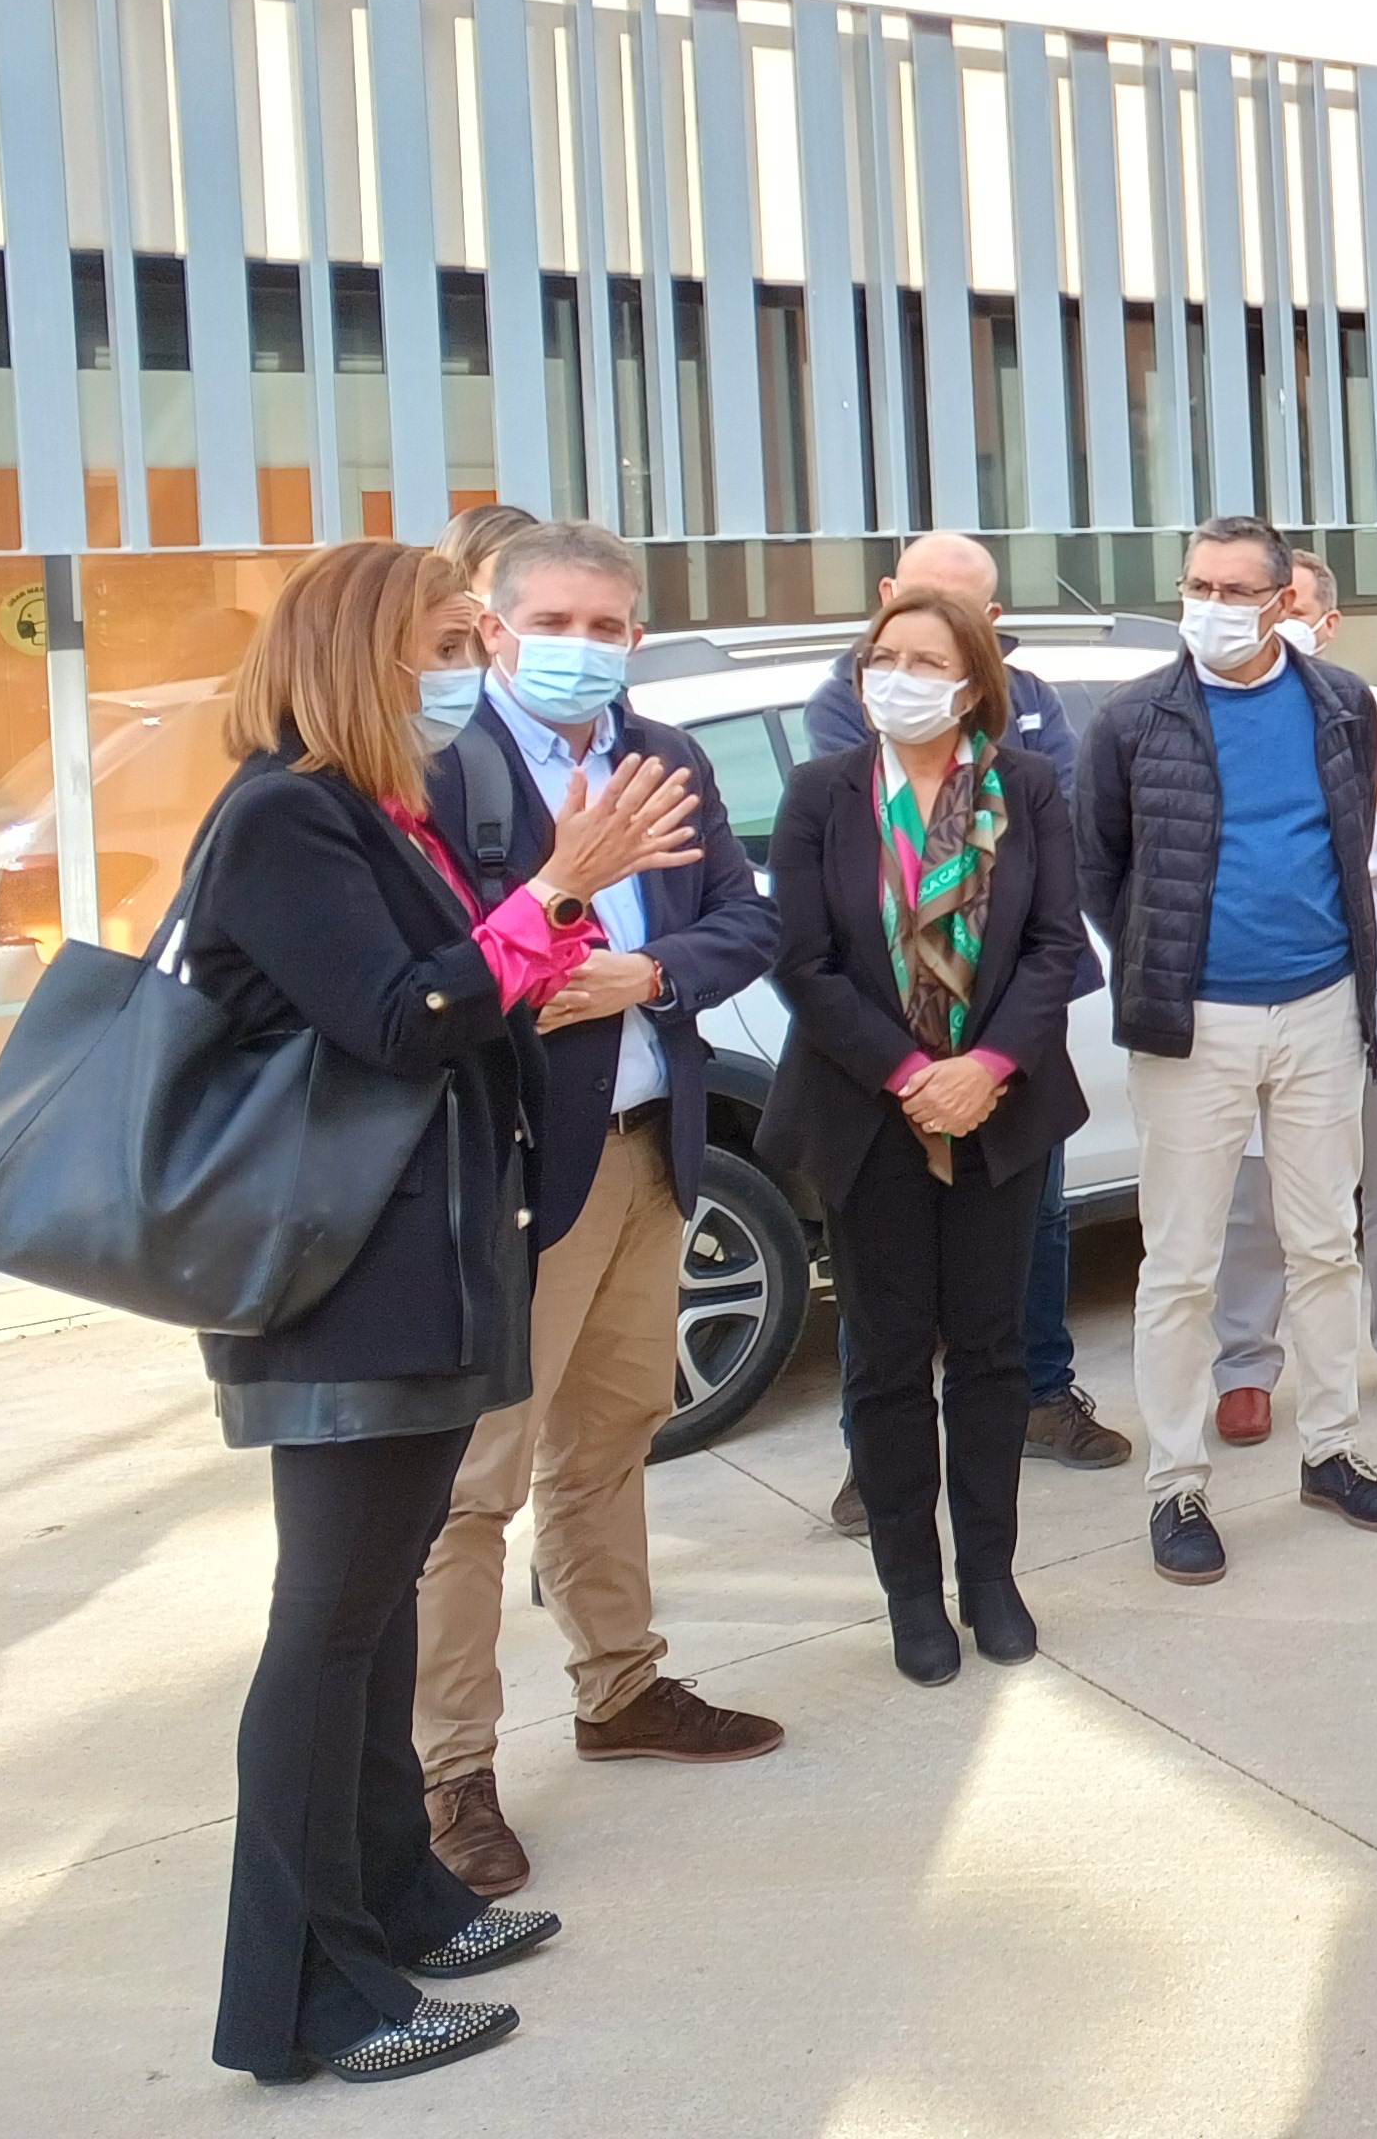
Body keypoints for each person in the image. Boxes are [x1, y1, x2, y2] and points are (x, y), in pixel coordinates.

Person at [190, 539, 697, 2084]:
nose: (470, 670)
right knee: (327, 1629)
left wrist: (557, 928)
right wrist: (560, 887)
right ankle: (310, 1999)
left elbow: (462, 988)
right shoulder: (283, 815)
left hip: (424, 1264)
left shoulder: (373, 808)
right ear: (366, 652)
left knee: (369, 1617)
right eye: (448, 644)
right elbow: (401, 1017)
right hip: (341, 1283)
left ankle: (401, 1900)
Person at [411, 521, 785, 1903]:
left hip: (650, 1147)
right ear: (495, 628)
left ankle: (620, 1686)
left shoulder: (666, 755)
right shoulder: (442, 767)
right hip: (514, 1170)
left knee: (615, 1434)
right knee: (472, 1487)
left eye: (609, 626)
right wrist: (546, 954)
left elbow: (745, 920)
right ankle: (449, 1772)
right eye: (557, 623)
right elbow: (423, 973)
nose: (585, 649)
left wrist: (650, 976)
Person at [759, 587, 1089, 1684]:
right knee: (888, 1360)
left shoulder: (1023, 787)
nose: (896, 677)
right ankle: (911, 1589)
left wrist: (984, 1069)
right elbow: (804, 962)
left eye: (924, 660)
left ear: (971, 683)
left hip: (999, 1110)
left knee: (992, 1354)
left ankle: (990, 1575)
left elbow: (1054, 948)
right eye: (882, 656)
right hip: (870, 1113)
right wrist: (910, 1075)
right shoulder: (822, 792)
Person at [1078, 513, 1377, 1585]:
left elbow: (1349, 838)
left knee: (1325, 1246)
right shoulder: (1133, 720)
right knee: (1180, 1266)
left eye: (1234, 591)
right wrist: (1170, 958)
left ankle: (1332, 1448)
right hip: (1192, 1024)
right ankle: (1177, 1484)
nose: (1211, 607)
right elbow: (1100, 868)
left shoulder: (1340, 703)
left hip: (1319, 1008)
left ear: (1281, 603)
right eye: (1198, 587)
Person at [804, 529, 1125, 1533]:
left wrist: (988, 1060)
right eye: (912, 614)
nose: (911, 663)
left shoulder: (1031, 715)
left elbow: (1049, 853)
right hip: (883, 1049)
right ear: (886, 597)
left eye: (959, 617)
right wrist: (915, 1070)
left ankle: (1041, 1397)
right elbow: (860, 870)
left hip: (1009, 1043)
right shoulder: (842, 707)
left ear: (989, 628)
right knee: (884, 1282)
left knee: (1032, 1230)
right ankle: (874, 1457)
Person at [1214, 551, 1377, 1447]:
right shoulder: (1221, 714)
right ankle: (1246, 1365)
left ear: (1326, 621)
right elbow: (1234, 834)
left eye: (1291, 603)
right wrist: (1352, 805)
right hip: (1278, 984)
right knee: (1256, 1194)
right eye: (1263, 601)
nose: (1272, 617)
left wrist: (1309, 827)